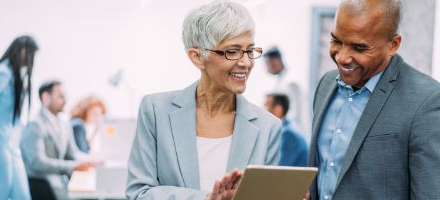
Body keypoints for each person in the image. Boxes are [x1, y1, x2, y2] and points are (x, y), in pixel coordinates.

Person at [126, 1, 282, 199]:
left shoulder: (268, 127)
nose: (246, 62)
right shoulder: (156, 112)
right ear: (197, 57)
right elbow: (139, 193)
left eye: (250, 50)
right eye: (232, 51)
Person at [308, 0, 440, 199]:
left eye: (359, 48)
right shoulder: (326, 85)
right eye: (336, 41)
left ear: (393, 44)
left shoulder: (429, 103)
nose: (342, 57)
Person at [20, 80, 97, 200]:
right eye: (60, 96)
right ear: (46, 97)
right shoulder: (35, 125)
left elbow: (73, 153)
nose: (65, 100)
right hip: (41, 184)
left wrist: (91, 160)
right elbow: (37, 162)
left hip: (60, 182)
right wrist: (73, 166)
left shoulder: (64, 124)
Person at [0, 35, 38, 200]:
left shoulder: (15, 77)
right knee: (0, 194)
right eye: (29, 53)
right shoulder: (2, 73)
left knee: (22, 195)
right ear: (20, 50)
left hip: (11, 147)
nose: (31, 58)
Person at [264, 93, 308, 167]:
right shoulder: (288, 128)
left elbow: (280, 168)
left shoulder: (288, 134)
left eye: (267, 108)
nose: (264, 112)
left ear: (278, 109)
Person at [263, 47, 303, 127]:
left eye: (268, 63)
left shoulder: (291, 82)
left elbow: (294, 114)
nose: (267, 67)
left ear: (275, 61)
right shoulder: (280, 81)